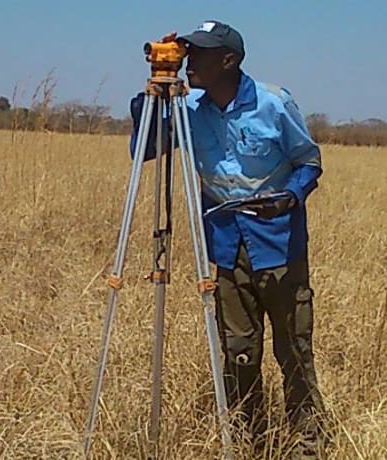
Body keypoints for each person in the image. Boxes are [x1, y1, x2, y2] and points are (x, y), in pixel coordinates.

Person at [130, 21, 327, 454]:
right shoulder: (190, 110)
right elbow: (143, 149)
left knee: (293, 350)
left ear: (228, 61)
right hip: (223, 245)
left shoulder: (275, 103)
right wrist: (154, 90)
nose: (190, 62)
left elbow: (309, 162)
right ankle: (248, 438)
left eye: (198, 54)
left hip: (278, 244)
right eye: (187, 53)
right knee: (239, 351)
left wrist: (290, 199)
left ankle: (308, 442)